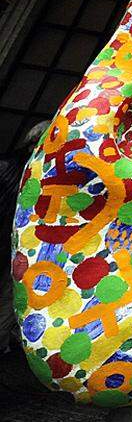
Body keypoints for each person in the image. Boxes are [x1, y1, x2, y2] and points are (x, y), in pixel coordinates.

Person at [1, 121, 48, 356]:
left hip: (11, 244)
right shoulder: (41, 177)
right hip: (14, 245)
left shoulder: (5, 164)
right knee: (8, 298)